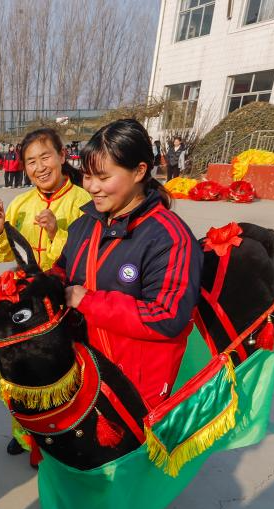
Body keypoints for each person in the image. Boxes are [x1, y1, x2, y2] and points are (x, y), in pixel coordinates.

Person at [54, 119, 201, 409]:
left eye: (103, 177)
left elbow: (167, 317)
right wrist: (35, 284)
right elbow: (63, 270)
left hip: (135, 387)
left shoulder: (169, 237)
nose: (92, 187)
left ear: (139, 171)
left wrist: (88, 301)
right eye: (86, 176)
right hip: (86, 369)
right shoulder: (84, 225)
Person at [0, 128, 91, 272]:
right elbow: (5, 254)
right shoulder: (19, 204)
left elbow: (88, 258)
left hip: (66, 290)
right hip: (28, 289)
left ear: (61, 156)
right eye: (32, 162)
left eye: (45, 158)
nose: (40, 168)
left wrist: (55, 233)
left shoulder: (84, 201)